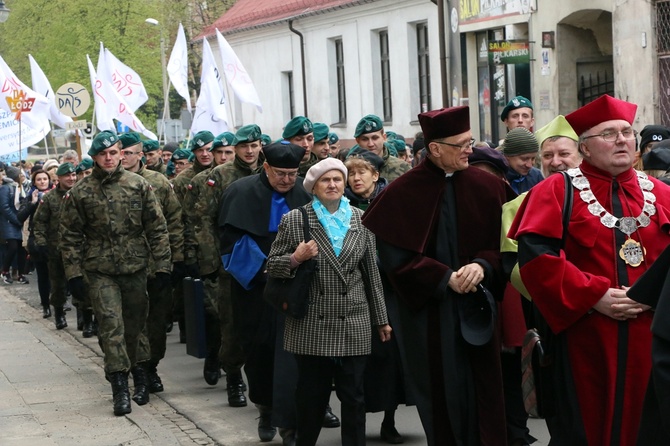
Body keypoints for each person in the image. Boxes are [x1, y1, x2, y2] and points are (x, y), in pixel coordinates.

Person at [509, 94, 670, 444]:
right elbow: (536, 259)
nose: (622, 140)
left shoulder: (662, 192)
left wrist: (652, 297)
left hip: (652, 334)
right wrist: (595, 295)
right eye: (609, 134)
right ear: (584, 147)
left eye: (627, 132)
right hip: (585, 336)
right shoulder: (555, 190)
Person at [362, 106, 514, 445]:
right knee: (441, 393)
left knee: (485, 390)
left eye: (470, 142)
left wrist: (483, 266)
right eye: (460, 144)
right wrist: (444, 278)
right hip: (431, 313)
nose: (469, 150)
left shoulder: (489, 186)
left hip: (481, 305)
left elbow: (508, 245)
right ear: (434, 149)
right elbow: (394, 258)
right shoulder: (402, 193)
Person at [267, 157, 391, 446]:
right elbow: (271, 265)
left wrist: (381, 320)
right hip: (312, 321)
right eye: (326, 180)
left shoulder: (360, 219)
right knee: (311, 395)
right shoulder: (296, 219)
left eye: (338, 179)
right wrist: (296, 258)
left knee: (354, 396)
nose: (333, 184)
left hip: (354, 319)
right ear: (314, 186)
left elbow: (372, 274)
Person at [59, 130, 171, 416]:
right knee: (111, 326)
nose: (108, 158)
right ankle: (119, 386)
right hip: (99, 270)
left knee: (135, 325)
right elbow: (69, 236)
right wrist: (73, 275)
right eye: (102, 154)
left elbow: (157, 229)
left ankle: (141, 376)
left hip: (136, 266)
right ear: (94, 157)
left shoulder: (139, 186)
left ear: (122, 153)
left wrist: (163, 268)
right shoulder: (80, 193)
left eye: (113, 153)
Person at [219, 141, 312, 444]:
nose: (287, 180)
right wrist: (269, 270)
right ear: (266, 167)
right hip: (256, 287)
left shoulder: (306, 191)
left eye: (292, 174)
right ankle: (266, 407)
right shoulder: (240, 193)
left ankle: (302, 413)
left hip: (300, 285)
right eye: (280, 174)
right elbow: (232, 243)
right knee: (260, 350)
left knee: (302, 352)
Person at [344, 149, 409, 444]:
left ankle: (389, 419)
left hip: (389, 290)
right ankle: (355, 422)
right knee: (357, 361)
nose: (356, 178)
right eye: (352, 173)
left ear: (376, 175)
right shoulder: (342, 207)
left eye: (362, 172)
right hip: (354, 293)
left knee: (391, 357)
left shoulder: (391, 204)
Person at [118, 132, 185, 401]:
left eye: (128, 152)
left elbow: (175, 222)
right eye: (118, 152)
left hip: (156, 265)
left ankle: (152, 365)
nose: (123, 157)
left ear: (140, 155)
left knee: (157, 324)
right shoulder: (108, 184)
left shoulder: (158, 182)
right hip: (125, 267)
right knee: (132, 325)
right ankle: (138, 373)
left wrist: (174, 260)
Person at [18, 168, 53, 318]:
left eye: (44, 179)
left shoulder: (56, 194)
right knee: (43, 275)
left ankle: (59, 303)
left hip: (55, 239)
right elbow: (21, 216)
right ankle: (45, 305)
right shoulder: (30, 196)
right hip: (37, 241)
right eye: (39, 179)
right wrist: (33, 203)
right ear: (34, 182)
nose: (42, 182)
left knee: (57, 275)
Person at [354, 115, 410, 182]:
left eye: (375, 138)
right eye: (365, 139)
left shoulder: (403, 167)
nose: (371, 144)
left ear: (384, 137)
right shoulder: (350, 169)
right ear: (358, 141)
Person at [0, 166, 29, 285]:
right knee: (12, 247)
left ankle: (21, 274)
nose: (22, 176)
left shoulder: (19, 187)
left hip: (19, 222)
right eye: (20, 175)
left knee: (22, 249)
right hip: (9, 222)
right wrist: (16, 219)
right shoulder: (6, 188)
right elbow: (4, 207)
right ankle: (5, 271)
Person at [501, 127, 544, 194]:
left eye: (533, 158)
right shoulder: (495, 178)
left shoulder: (538, 177)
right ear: (507, 156)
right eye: (524, 159)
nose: (529, 165)